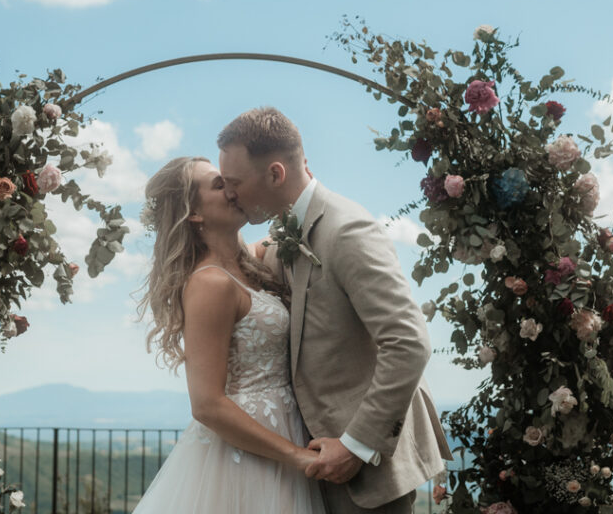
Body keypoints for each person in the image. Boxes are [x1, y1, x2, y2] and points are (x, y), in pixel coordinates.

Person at [218, 107, 452, 513]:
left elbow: (409, 343)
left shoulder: (347, 230)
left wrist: (356, 445)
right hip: (311, 463)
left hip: (365, 469)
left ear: (276, 174)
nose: (231, 194)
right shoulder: (282, 233)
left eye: (235, 183)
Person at [132, 156, 326, 513]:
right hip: (249, 454)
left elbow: (293, 217)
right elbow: (206, 404)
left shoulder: (251, 261)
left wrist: (296, 182)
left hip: (285, 430)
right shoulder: (210, 283)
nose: (233, 190)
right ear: (194, 214)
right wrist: (295, 456)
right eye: (219, 185)